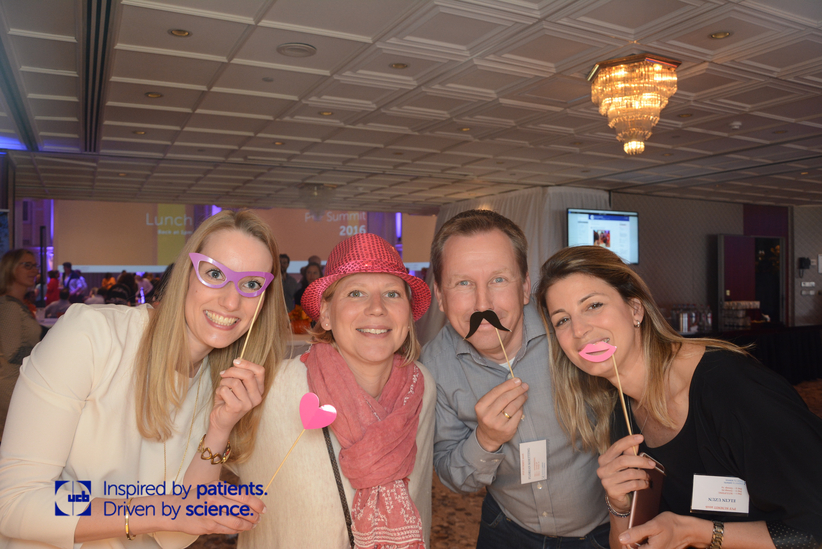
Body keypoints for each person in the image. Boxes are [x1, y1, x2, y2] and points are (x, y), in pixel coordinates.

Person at [0, 210, 291, 548]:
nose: (231, 301)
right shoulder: (92, 337)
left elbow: (174, 536)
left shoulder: (221, 383)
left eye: (251, 284)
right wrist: (163, 511)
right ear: (186, 274)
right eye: (214, 273)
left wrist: (219, 429)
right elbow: (15, 501)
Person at [536, 245, 822, 549]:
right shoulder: (619, 412)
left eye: (593, 305)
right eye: (562, 320)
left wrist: (698, 533)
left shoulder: (730, 387)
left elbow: (814, 531)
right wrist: (619, 505)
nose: (579, 330)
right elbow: (630, 544)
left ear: (635, 309)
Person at [421, 209, 608, 549]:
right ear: (440, 295)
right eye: (463, 283)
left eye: (499, 280)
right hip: (507, 528)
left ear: (524, 287)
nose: (483, 303)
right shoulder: (433, 367)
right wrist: (486, 440)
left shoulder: (569, 331)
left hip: (600, 530)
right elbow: (452, 476)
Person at [234, 233, 435, 548]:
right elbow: (220, 461)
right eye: (356, 292)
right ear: (326, 314)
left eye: (392, 293)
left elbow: (420, 493)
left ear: (408, 315)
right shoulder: (274, 388)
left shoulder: (421, 386)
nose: (377, 308)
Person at [0, 249, 42, 438]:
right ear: (10, 269)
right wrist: (46, 351)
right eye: (27, 265)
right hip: (9, 386)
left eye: (35, 266)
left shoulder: (17, 304)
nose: (34, 270)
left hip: (17, 384)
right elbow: (13, 352)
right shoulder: (9, 306)